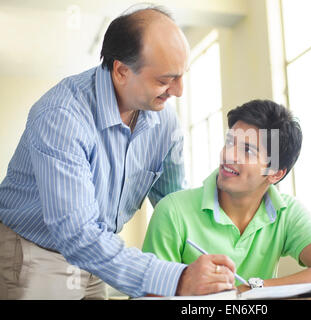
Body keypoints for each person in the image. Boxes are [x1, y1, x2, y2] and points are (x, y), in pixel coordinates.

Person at [0, 5, 235, 300]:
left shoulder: (164, 120)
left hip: (99, 251)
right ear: (122, 70)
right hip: (37, 252)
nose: (179, 91)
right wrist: (176, 279)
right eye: (165, 80)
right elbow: (77, 234)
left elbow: (173, 202)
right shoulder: (61, 116)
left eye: (181, 76)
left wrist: (213, 259)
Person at [142, 99, 311, 292]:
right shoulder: (172, 211)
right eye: (229, 142)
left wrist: (253, 288)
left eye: (247, 150)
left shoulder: (286, 212)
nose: (228, 155)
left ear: (275, 173)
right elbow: (148, 294)